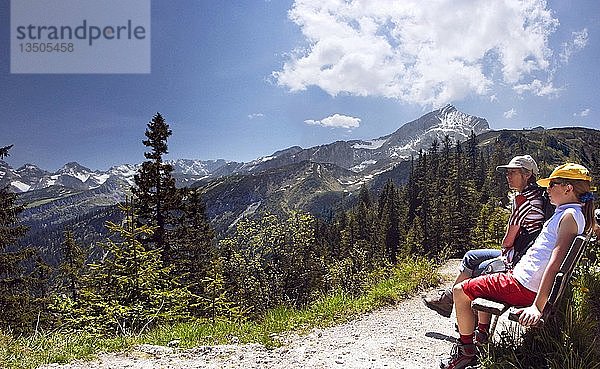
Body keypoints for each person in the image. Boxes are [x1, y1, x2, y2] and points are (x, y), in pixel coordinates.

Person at [441, 163, 597, 369]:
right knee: (489, 271)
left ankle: (466, 351)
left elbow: (554, 265)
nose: (548, 189)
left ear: (568, 189)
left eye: (552, 185)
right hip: (522, 278)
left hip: (523, 285)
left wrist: (537, 306)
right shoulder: (577, 213)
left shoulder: (568, 217)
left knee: (460, 291)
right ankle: (480, 336)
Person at [424, 155, 546, 318]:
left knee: (480, 268)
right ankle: (449, 299)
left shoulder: (523, 199)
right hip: (524, 252)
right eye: (507, 173)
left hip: (519, 258)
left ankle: (466, 316)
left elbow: (508, 241)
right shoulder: (538, 194)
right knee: (471, 256)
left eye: (513, 172)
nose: (508, 176)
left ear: (527, 174)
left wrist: (506, 248)